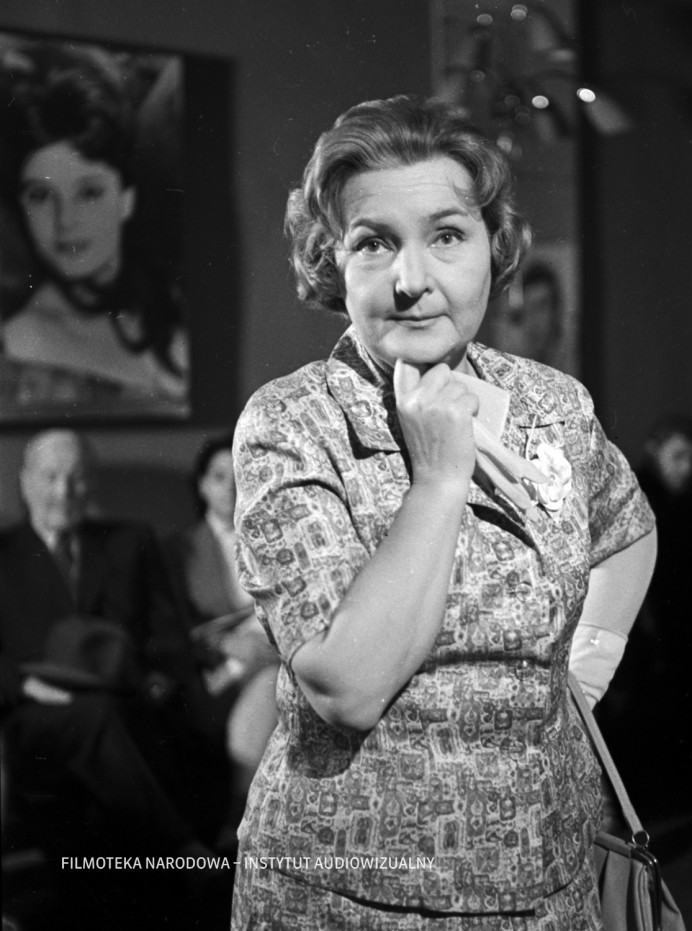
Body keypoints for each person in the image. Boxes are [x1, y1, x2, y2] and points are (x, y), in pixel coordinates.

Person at [230, 95, 657, 929]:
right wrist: (437, 478)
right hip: (351, 898)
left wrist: (578, 681)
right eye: (373, 241)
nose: (411, 278)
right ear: (330, 260)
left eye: (447, 236)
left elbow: (626, 531)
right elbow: (347, 686)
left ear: (493, 247)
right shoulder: (291, 424)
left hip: (549, 881)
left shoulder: (550, 403)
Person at [0, 431, 220, 879]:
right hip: (35, 711)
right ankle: (183, 850)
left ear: (92, 484)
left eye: (77, 478)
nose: (64, 491)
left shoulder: (130, 541)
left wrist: (159, 677)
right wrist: (24, 684)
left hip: (129, 695)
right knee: (99, 716)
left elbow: (168, 632)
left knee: (144, 721)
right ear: (25, 482)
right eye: (51, 477)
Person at [0, 39, 187, 413]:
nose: (65, 220)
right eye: (40, 195)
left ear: (126, 197)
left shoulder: (170, 294)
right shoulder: (23, 335)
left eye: (88, 192)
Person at [164, 433, 279, 811]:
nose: (230, 487)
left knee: (274, 680)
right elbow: (175, 626)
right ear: (201, 485)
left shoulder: (275, 538)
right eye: (218, 477)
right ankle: (238, 812)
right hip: (215, 667)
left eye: (238, 475)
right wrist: (227, 644)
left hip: (273, 656)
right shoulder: (179, 549)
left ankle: (238, 814)